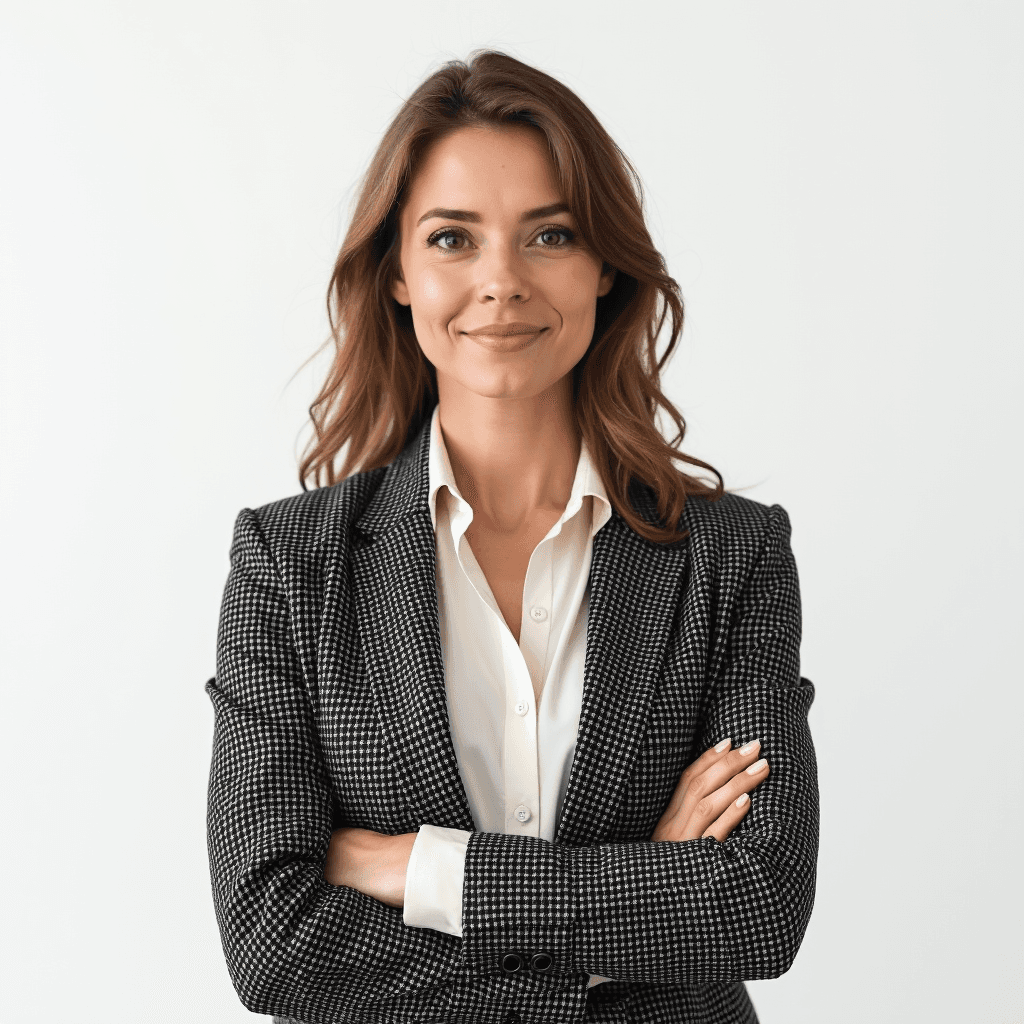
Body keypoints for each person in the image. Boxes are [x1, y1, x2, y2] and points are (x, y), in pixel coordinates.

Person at [205, 49, 818, 1024]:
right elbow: (273, 944)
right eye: (452, 238)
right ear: (397, 272)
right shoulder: (290, 566)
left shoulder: (729, 557)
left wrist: (414, 866)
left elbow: (756, 909)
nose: (501, 281)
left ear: (605, 265)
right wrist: (632, 903)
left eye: (550, 234)